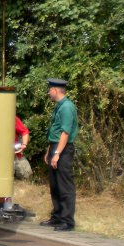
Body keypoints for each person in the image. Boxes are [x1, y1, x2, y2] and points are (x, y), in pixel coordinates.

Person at [41, 79, 78, 231]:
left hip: (63, 149)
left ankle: (67, 221)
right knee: (55, 185)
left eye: (50, 89)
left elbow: (65, 133)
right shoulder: (59, 106)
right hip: (55, 147)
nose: (49, 92)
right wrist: (49, 151)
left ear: (56, 90)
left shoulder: (67, 107)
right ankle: (57, 217)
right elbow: (55, 131)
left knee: (64, 185)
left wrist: (56, 154)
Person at [14, 116, 32, 180]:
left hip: (14, 153)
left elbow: (24, 131)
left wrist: (24, 144)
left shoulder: (12, 118)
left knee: (26, 175)